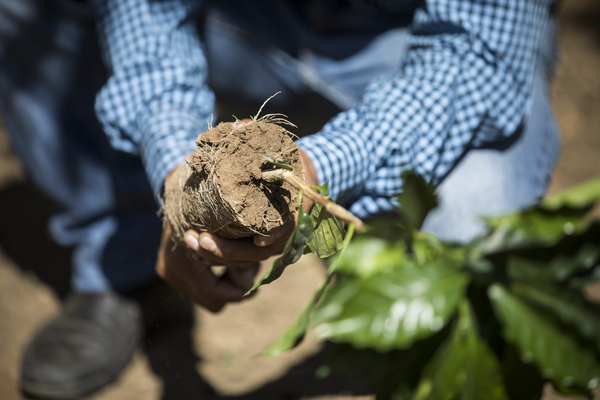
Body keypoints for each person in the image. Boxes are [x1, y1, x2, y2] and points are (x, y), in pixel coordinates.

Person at [1, 0, 560, 398]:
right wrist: (177, 179)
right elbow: (145, 15)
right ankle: (124, 259)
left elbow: (474, 55)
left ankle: (428, 328)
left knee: (473, 218)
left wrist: (320, 164)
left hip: (415, 43)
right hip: (249, 20)